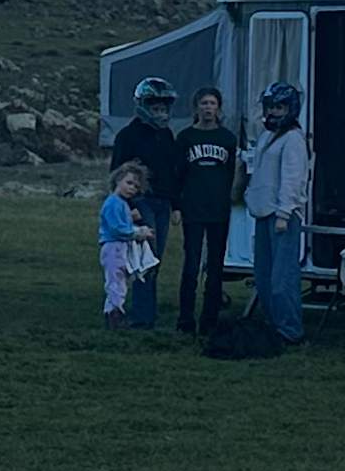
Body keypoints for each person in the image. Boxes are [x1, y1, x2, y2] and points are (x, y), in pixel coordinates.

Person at [168, 86, 241, 334]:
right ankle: (185, 320)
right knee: (191, 265)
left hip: (219, 210)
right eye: (204, 103)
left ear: (218, 108)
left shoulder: (227, 138)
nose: (208, 108)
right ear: (196, 107)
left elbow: (231, 174)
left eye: (212, 103)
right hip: (193, 209)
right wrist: (176, 206)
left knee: (216, 267)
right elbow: (177, 174)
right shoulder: (186, 138)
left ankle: (209, 320)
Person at [243, 80, 311, 344]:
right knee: (263, 276)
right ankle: (273, 325)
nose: (273, 112)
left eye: (279, 107)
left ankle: (290, 330)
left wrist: (284, 213)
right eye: (270, 107)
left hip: (282, 216)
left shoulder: (293, 139)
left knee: (283, 278)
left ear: (290, 109)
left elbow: (293, 178)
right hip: (263, 213)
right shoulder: (267, 136)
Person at [110, 77, 185, 225]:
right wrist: (129, 205)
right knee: (147, 237)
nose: (160, 114)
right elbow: (117, 173)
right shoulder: (127, 135)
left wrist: (176, 205)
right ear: (143, 106)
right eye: (155, 109)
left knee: (159, 240)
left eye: (163, 110)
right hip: (140, 199)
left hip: (163, 199)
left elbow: (172, 170)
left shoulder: (166, 134)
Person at [97, 161, 157, 327]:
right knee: (115, 281)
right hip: (113, 246)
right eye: (129, 183)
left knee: (120, 281)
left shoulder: (121, 204)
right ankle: (114, 313)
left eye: (136, 187)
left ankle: (115, 311)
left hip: (121, 246)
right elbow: (117, 228)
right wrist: (137, 233)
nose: (132, 188)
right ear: (118, 180)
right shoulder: (113, 203)